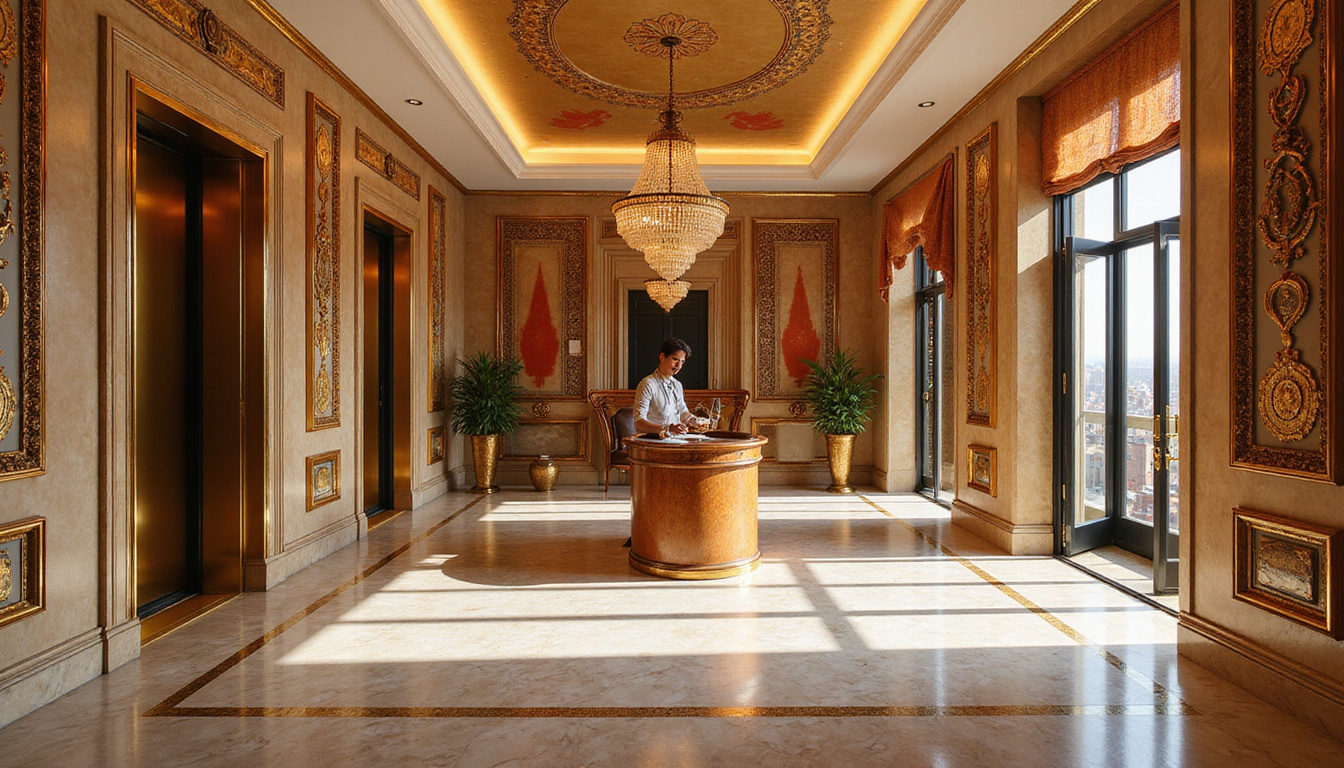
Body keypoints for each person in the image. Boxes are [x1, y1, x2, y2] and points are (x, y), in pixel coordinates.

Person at [633, 337, 705, 438]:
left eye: (682, 362)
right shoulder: (647, 384)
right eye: (675, 359)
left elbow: (682, 410)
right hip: (653, 441)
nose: (678, 366)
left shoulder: (677, 385)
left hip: (675, 440)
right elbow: (638, 422)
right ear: (662, 357)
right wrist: (667, 428)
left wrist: (693, 420)